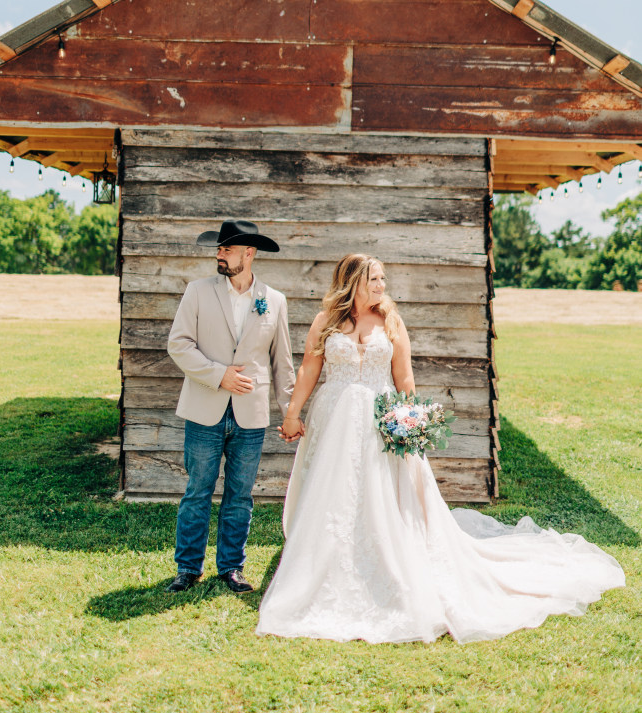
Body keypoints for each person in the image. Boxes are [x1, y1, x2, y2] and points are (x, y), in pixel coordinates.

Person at [256, 253, 625, 642]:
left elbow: (405, 377)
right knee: (335, 492)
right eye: (374, 279)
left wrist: (411, 423)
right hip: (334, 420)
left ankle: (388, 561)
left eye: (383, 278)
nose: (382, 286)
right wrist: (293, 413)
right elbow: (309, 370)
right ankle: (324, 563)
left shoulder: (392, 321)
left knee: (383, 493)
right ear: (352, 282)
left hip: (380, 420)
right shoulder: (326, 321)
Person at [165, 219, 295, 595]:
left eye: (227, 249)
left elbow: (282, 363)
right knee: (198, 490)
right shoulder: (198, 292)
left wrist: (289, 412)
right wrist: (218, 375)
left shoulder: (275, 300)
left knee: (240, 495)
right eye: (219, 249)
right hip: (205, 408)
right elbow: (179, 344)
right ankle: (188, 568)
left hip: (250, 416)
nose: (219, 254)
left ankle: (231, 568)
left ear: (248, 254)